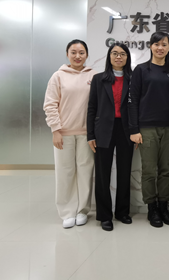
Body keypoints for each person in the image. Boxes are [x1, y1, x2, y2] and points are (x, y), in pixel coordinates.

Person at [129, 32, 169, 228]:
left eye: (164, 44)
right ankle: (152, 208)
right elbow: (133, 101)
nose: (160, 48)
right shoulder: (141, 70)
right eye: (156, 44)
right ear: (150, 46)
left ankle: (164, 206)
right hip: (146, 128)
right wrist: (134, 129)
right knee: (149, 170)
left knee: (166, 170)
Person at [44, 39, 96, 229]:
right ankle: (67, 212)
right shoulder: (58, 76)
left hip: (87, 134)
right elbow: (50, 104)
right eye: (73, 52)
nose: (77, 56)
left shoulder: (93, 75)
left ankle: (82, 210)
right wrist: (55, 130)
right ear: (67, 54)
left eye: (81, 52)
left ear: (87, 55)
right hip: (64, 133)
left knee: (85, 172)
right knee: (65, 172)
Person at [87, 43, 134, 231]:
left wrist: (136, 131)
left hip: (126, 130)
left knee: (124, 172)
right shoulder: (99, 79)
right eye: (115, 53)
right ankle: (104, 215)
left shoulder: (133, 79)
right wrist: (90, 134)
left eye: (122, 54)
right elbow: (92, 108)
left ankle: (122, 212)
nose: (118, 57)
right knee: (102, 174)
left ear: (127, 57)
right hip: (103, 130)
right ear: (109, 56)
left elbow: (136, 107)